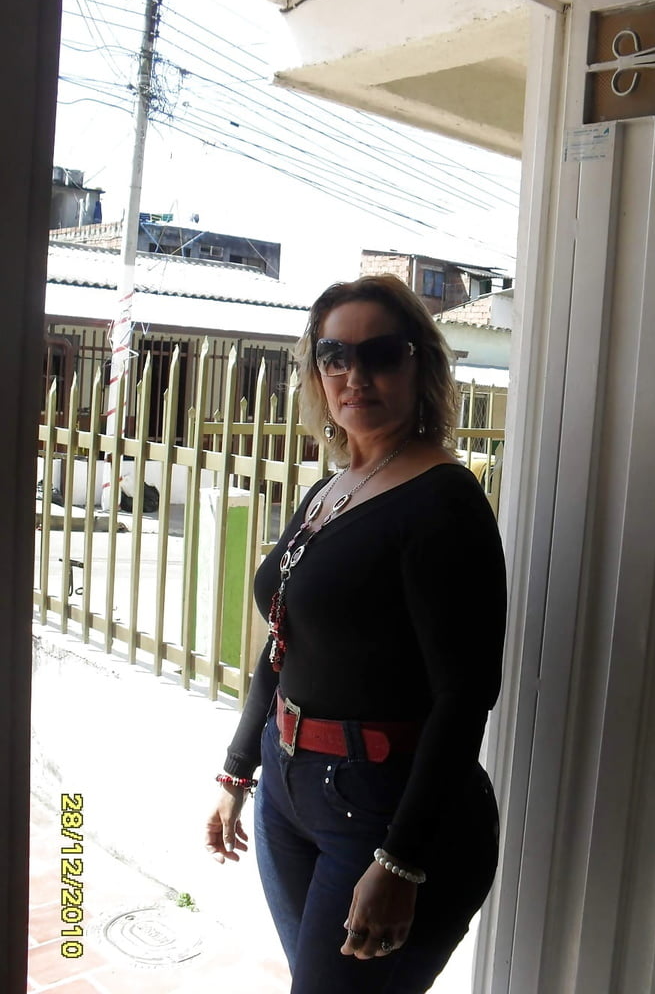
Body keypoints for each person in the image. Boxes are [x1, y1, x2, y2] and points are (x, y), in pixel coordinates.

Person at [205, 274, 506, 993]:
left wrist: (401, 861)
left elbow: (465, 695)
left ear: (420, 364)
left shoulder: (443, 502)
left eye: (381, 354)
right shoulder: (331, 488)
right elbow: (285, 643)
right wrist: (238, 771)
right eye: (335, 355)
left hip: (382, 811)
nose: (355, 375)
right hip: (288, 792)